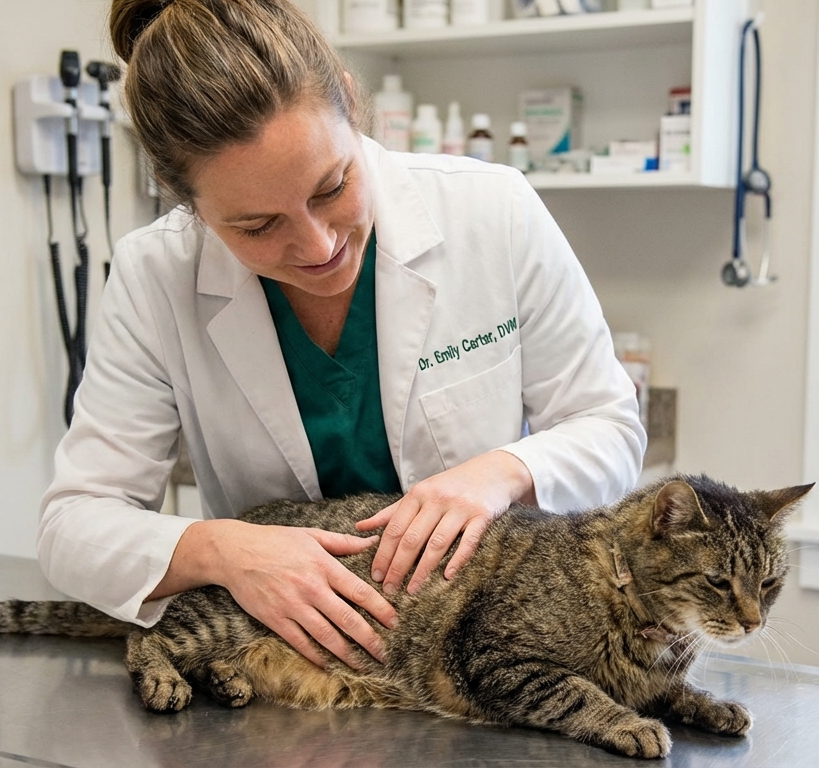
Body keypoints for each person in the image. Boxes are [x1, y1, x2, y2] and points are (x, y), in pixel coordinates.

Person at [38, 0, 645, 672]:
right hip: (284, 672)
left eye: (332, 187)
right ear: (181, 199)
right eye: (258, 227)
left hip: (479, 662)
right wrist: (222, 551)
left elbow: (610, 428)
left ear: (351, 105)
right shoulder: (156, 273)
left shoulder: (491, 211)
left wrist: (502, 473)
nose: (318, 245)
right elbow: (73, 526)